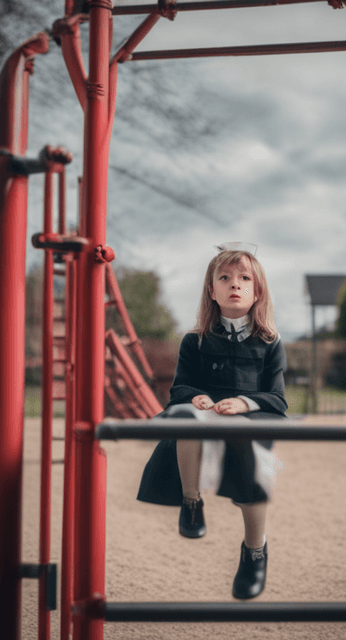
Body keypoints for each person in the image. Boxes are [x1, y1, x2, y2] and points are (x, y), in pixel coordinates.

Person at [137, 243, 288, 599]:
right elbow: (181, 387)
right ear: (212, 290)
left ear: (257, 291)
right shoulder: (195, 341)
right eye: (225, 277)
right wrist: (196, 397)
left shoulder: (269, 343)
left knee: (251, 458)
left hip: (249, 419)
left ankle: (255, 550)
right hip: (204, 416)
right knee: (187, 417)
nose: (234, 284)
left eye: (244, 278)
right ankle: (190, 501)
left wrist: (244, 402)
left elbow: (278, 399)